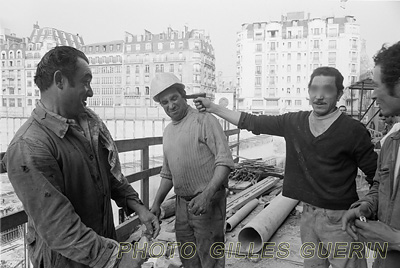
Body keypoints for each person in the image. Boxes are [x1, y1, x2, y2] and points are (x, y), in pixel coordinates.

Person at [195, 66, 377, 268]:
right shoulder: (294, 122)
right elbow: (252, 122)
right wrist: (213, 107)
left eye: (327, 90)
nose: (319, 96)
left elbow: (376, 176)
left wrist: (368, 208)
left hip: (340, 220)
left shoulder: (353, 131)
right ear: (308, 92)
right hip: (308, 216)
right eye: (314, 89)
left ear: (339, 94)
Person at [3, 46, 160, 268]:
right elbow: (58, 226)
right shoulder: (29, 146)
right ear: (60, 81)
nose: (91, 91)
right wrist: (117, 259)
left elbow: (111, 176)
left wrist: (138, 207)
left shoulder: (90, 126)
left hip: (102, 249)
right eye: (86, 81)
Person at [149, 73, 234, 268]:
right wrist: (156, 203)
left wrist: (207, 195)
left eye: (174, 98)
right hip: (182, 206)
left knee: (210, 260)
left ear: (183, 96)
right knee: (189, 259)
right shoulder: (168, 132)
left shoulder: (204, 120)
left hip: (208, 202)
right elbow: (168, 173)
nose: (170, 106)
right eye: (164, 102)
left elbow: (225, 162)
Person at [342, 41, 400, 268]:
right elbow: (379, 186)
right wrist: (366, 206)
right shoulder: (391, 142)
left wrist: (395, 240)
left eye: (377, 85)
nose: (374, 94)